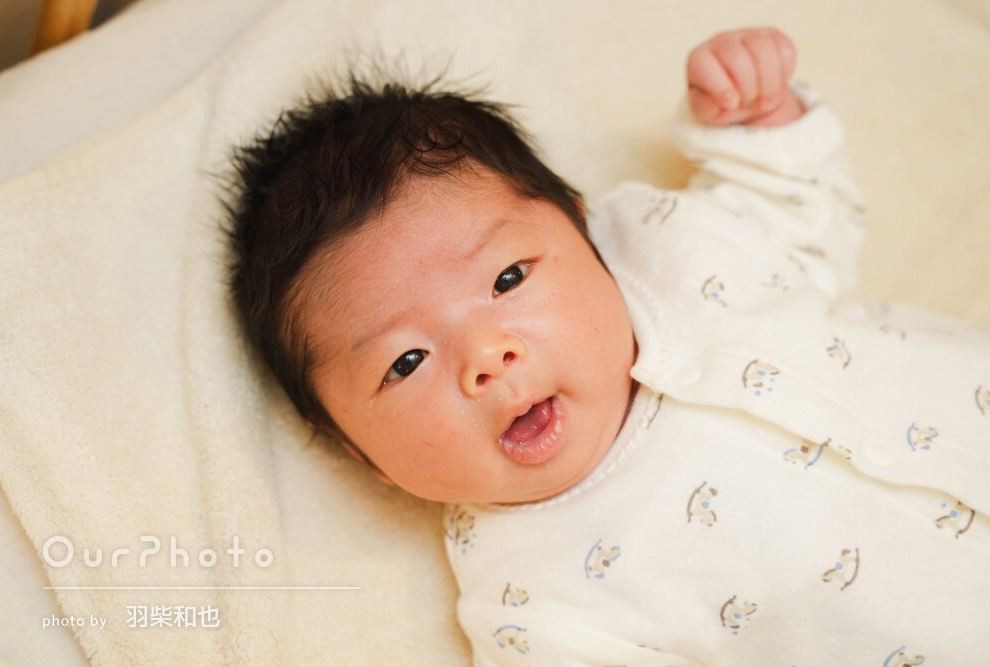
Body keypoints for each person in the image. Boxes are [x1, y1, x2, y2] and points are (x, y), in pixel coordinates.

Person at [226, 27, 990, 665]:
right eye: (406, 361)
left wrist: (759, 119)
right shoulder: (537, 605)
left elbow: (800, 221)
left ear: (580, 225)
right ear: (355, 449)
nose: (486, 355)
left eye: (508, 277)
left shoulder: (672, 249)